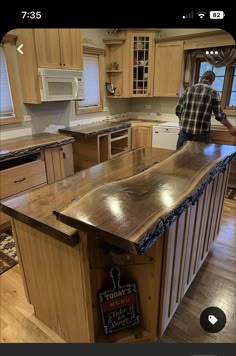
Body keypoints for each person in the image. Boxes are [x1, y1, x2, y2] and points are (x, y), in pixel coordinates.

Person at [175, 70, 236, 149]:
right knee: (198, 159)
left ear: (201, 78)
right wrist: (230, 127)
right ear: (212, 81)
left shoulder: (188, 90)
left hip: (184, 132)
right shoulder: (213, 92)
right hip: (200, 134)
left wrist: (182, 122)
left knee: (179, 157)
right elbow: (219, 115)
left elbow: (178, 110)